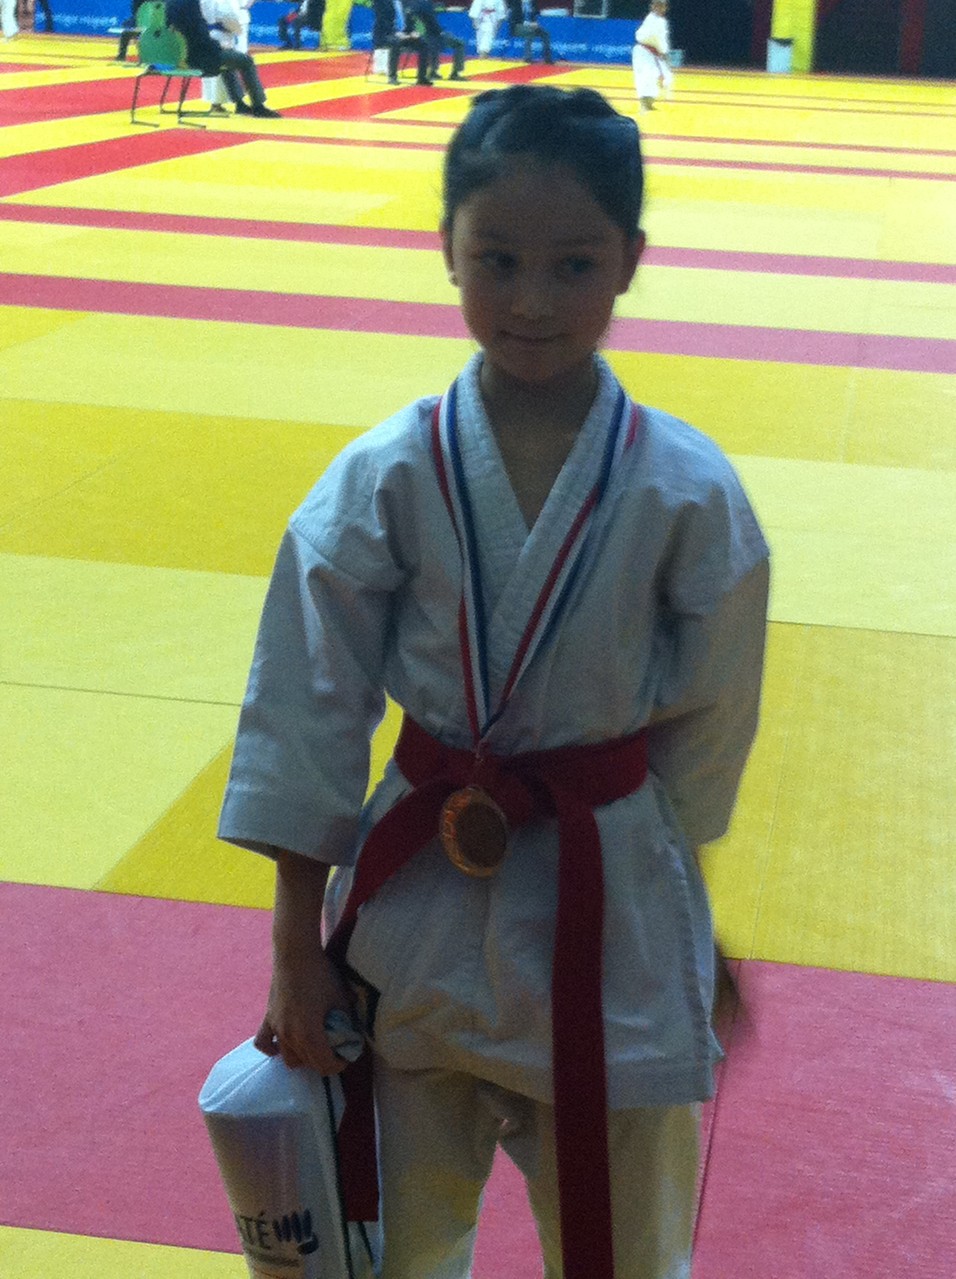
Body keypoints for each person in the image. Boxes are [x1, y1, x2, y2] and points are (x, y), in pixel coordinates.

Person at [219, 84, 769, 1279]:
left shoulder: (685, 489)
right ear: (446, 251)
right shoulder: (387, 470)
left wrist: (689, 914)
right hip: (415, 918)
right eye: (498, 259)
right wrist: (293, 947)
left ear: (628, 262)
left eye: (573, 264)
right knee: (395, 1245)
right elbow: (307, 704)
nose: (530, 300)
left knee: (627, 1246)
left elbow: (709, 724)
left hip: (609, 913)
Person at [166, 0, 281, 117]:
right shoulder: (192, 6)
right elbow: (200, 36)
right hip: (200, 56)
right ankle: (258, 106)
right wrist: (218, 46)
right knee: (246, 61)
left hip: (179, 57)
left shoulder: (171, 5)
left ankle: (239, 103)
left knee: (229, 61)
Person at [371, 0, 431, 85]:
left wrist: (412, 32)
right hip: (385, 34)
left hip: (404, 35)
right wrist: (396, 33)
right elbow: (382, 21)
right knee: (396, 42)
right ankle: (392, 77)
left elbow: (410, 21)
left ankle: (422, 78)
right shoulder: (382, 2)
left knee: (423, 43)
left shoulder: (406, 2)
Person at [407, 0, 466, 80]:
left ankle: (433, 71)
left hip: (419, 35)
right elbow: (431, 22)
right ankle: (455, 73)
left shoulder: (412, 4)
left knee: (434, 42)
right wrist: (441, 32)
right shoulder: (425, 4)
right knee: (459, 44)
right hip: (430, 35)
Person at [633, 0, 673, 112]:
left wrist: (663, 52)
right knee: (645, 77)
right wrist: (664, 52)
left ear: (665, 8)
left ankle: (649, 103)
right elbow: (656, 38)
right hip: (644, 51)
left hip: (653, 52)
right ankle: (644, 105)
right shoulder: (652, 19)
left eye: (662, 6)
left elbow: (661, 39)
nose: (659, 8)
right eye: (657, 5)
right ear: (652, 7)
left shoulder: (661, 21)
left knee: (660, 77)